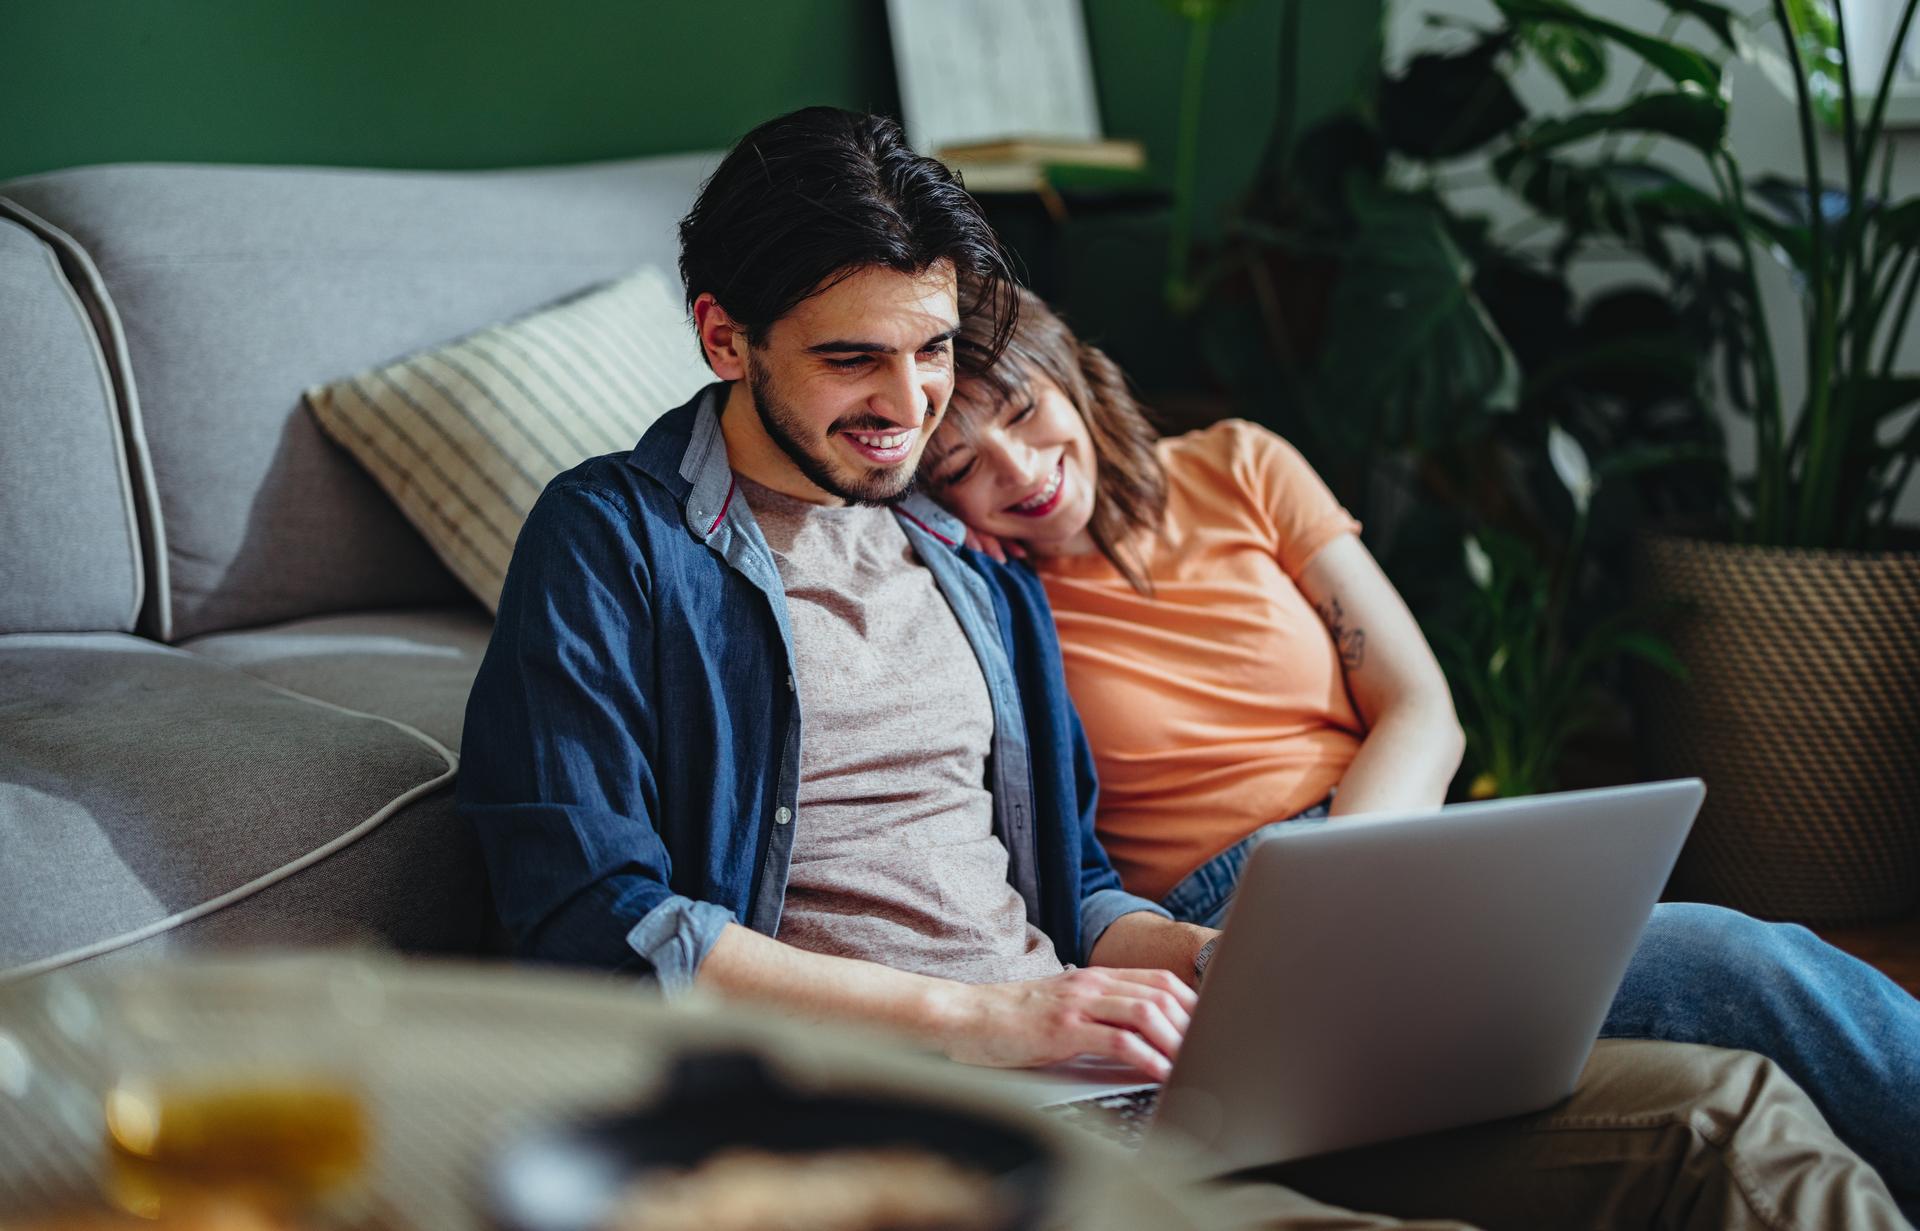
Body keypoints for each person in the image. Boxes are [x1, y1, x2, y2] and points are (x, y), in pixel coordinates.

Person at [457, 106, 1907, 1228]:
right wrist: (993, 1017)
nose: (908, 409)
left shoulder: (964, 568)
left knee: (1731, 1108)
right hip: (928, 1110)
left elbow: (1075, 887)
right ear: (724, 335)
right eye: (853, 362)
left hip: (1150, 1068)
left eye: (935, 353)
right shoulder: (615, 541)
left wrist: (1232, 960)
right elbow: (606, 925)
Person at [922, 284, 1920, 1217]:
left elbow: (1421, 707)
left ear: (1068, 373)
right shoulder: (998, 601)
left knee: (1751, 966)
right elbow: (1069, 871)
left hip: (1400, 840)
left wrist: (1353, 877)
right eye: (960, 465)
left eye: (1020, 412)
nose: (1017, 471)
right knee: (1732, 968)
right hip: (1231, 918)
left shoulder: (1238, 463)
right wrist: (1301, 912)